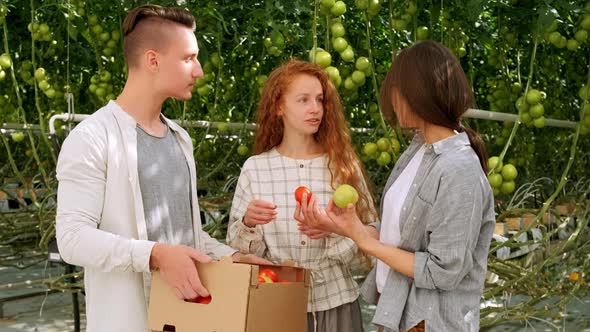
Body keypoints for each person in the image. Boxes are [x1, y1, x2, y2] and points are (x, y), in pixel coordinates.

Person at [55, 5, 268, 332]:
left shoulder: (180, 139)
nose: (198, 71)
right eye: (188, 58)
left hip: (190, 318)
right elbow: (72, 239)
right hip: (130, 322)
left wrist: (231, 258)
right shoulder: (93, 138)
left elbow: (187, 236)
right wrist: (154, 255)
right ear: (152, 61)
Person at [297, 40, 496, 332]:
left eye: (396, 91)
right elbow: (401, 238)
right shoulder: (419, 151)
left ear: (418, 94)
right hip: (398, 315)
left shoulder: (458, 170)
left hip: (429, 323)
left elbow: (444, 271)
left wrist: (366, 242)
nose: (392, 100)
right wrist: (343, 226)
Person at [226, 59, 377, 332]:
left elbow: (371, 243)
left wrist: (331, 229)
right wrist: (248, 223)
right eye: (304, 100)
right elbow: (238, 253)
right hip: (276, 301)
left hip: (336, 303)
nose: (315, 109)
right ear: (279, 107)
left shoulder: (342, 165)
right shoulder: (256, 168)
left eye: (319, 100)